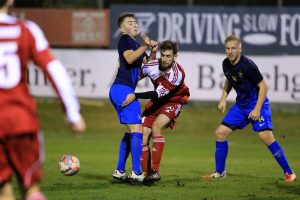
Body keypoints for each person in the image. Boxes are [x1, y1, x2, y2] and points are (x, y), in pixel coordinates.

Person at [0, 0, 86, 199]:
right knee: (31, 190)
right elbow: (54, 70)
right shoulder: (27, 29)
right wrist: (72, 113)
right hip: (20, 121)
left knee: (3, 191)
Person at [202, 35, 296, 182]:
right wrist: (223, 98)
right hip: (241, 106)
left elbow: (264, 86)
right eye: (227, 48)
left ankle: (289, 172)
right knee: (220, 133)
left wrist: (257, 109)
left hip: (258, 104)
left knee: (266, 137)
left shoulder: (247, 65)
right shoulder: (226, 64)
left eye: (233, 48)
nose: (230, 51)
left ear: (240, 49)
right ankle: (220, 172)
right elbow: (229, 79)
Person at [122, 40, 190, 183]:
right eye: (163, 55)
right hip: (157, 101)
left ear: (175, 57)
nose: (164, 59)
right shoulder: (153, 65)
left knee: (156, 127)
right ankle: (144, 174)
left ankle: (156, 172)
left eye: (168, 56)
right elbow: (136, 76)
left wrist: (136, 95)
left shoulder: (177, 74)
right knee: (143, 134)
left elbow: (157, 93)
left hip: (174, 101)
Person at [109, 13, 158, 183]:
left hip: (121, 89)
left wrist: (153, 50)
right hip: (123, 89)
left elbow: (147, 66)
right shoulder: (125, 39)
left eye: (135, 22)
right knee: (138, 129)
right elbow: (129, 58)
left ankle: (120, 171)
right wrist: (144, 45)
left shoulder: (134, 44)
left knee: (132, 131)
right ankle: (137, 172)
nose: (135, 24)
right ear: (123, 28)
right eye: (130, 22)